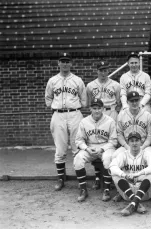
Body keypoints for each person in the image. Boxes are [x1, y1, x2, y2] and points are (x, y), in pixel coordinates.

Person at [45, 52, 87, 191]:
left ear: (71, 63)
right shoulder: (52, 80)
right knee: (60, 149)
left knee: (77, 148)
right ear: (58, 63)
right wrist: (55, 107)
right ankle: (61, 178)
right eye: (62, 61)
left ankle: (80, 180)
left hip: (75, 113)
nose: (65, 64)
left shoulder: (77, 80)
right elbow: (48, 99)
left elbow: (84, 101)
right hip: (58, 114)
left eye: (67, 61)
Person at [114, 91, 151, 201]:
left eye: (136, 100)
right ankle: (120, 190)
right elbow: (119, 134)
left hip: (143, 144)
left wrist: (143, 147)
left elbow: (150, 135)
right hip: (126, 145)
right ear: (127, 102)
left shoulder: (147, 115)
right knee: (114, 156)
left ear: (139, 101)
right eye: (132, 101)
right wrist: (126, 146)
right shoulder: (122, 115)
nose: (134, 103)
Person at [86, 60, 121, 189]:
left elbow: (118, 102)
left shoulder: (115, 85)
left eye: (105, 70)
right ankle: (97, 176)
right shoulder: (90, 85)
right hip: (96, 113)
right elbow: (89, 102)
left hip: (110, 111)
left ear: (108, 71)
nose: (103, 72)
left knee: (111, 144)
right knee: (96, 141)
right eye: (101, 70)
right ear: (97, 71)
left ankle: (110, 175)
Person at [73, 98, 117, 202]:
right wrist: (86, 149)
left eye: (99, 108)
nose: (97, 110)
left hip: (106, 147)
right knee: (78, 159)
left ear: (103, 109)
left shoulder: (110, 121)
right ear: (90, 109)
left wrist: (102, 149)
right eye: (94, 108)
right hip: (90, 147)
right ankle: (83, 190)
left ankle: (106, 189)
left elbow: (114, 141)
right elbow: (79, 140)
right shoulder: (84, 121)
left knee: (108, 158)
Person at [109, 132, 151, 216]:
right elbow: (112, 166)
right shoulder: (123, 155)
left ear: (141, 142)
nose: (134, 143)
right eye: (132, 141)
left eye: (137, 140)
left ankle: (133, 203)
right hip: (127, 190)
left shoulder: (146, 154)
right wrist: (124, 175)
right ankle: (135, 202)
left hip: (144, 191)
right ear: (128, 143)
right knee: (115, 174)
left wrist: (138, 174)